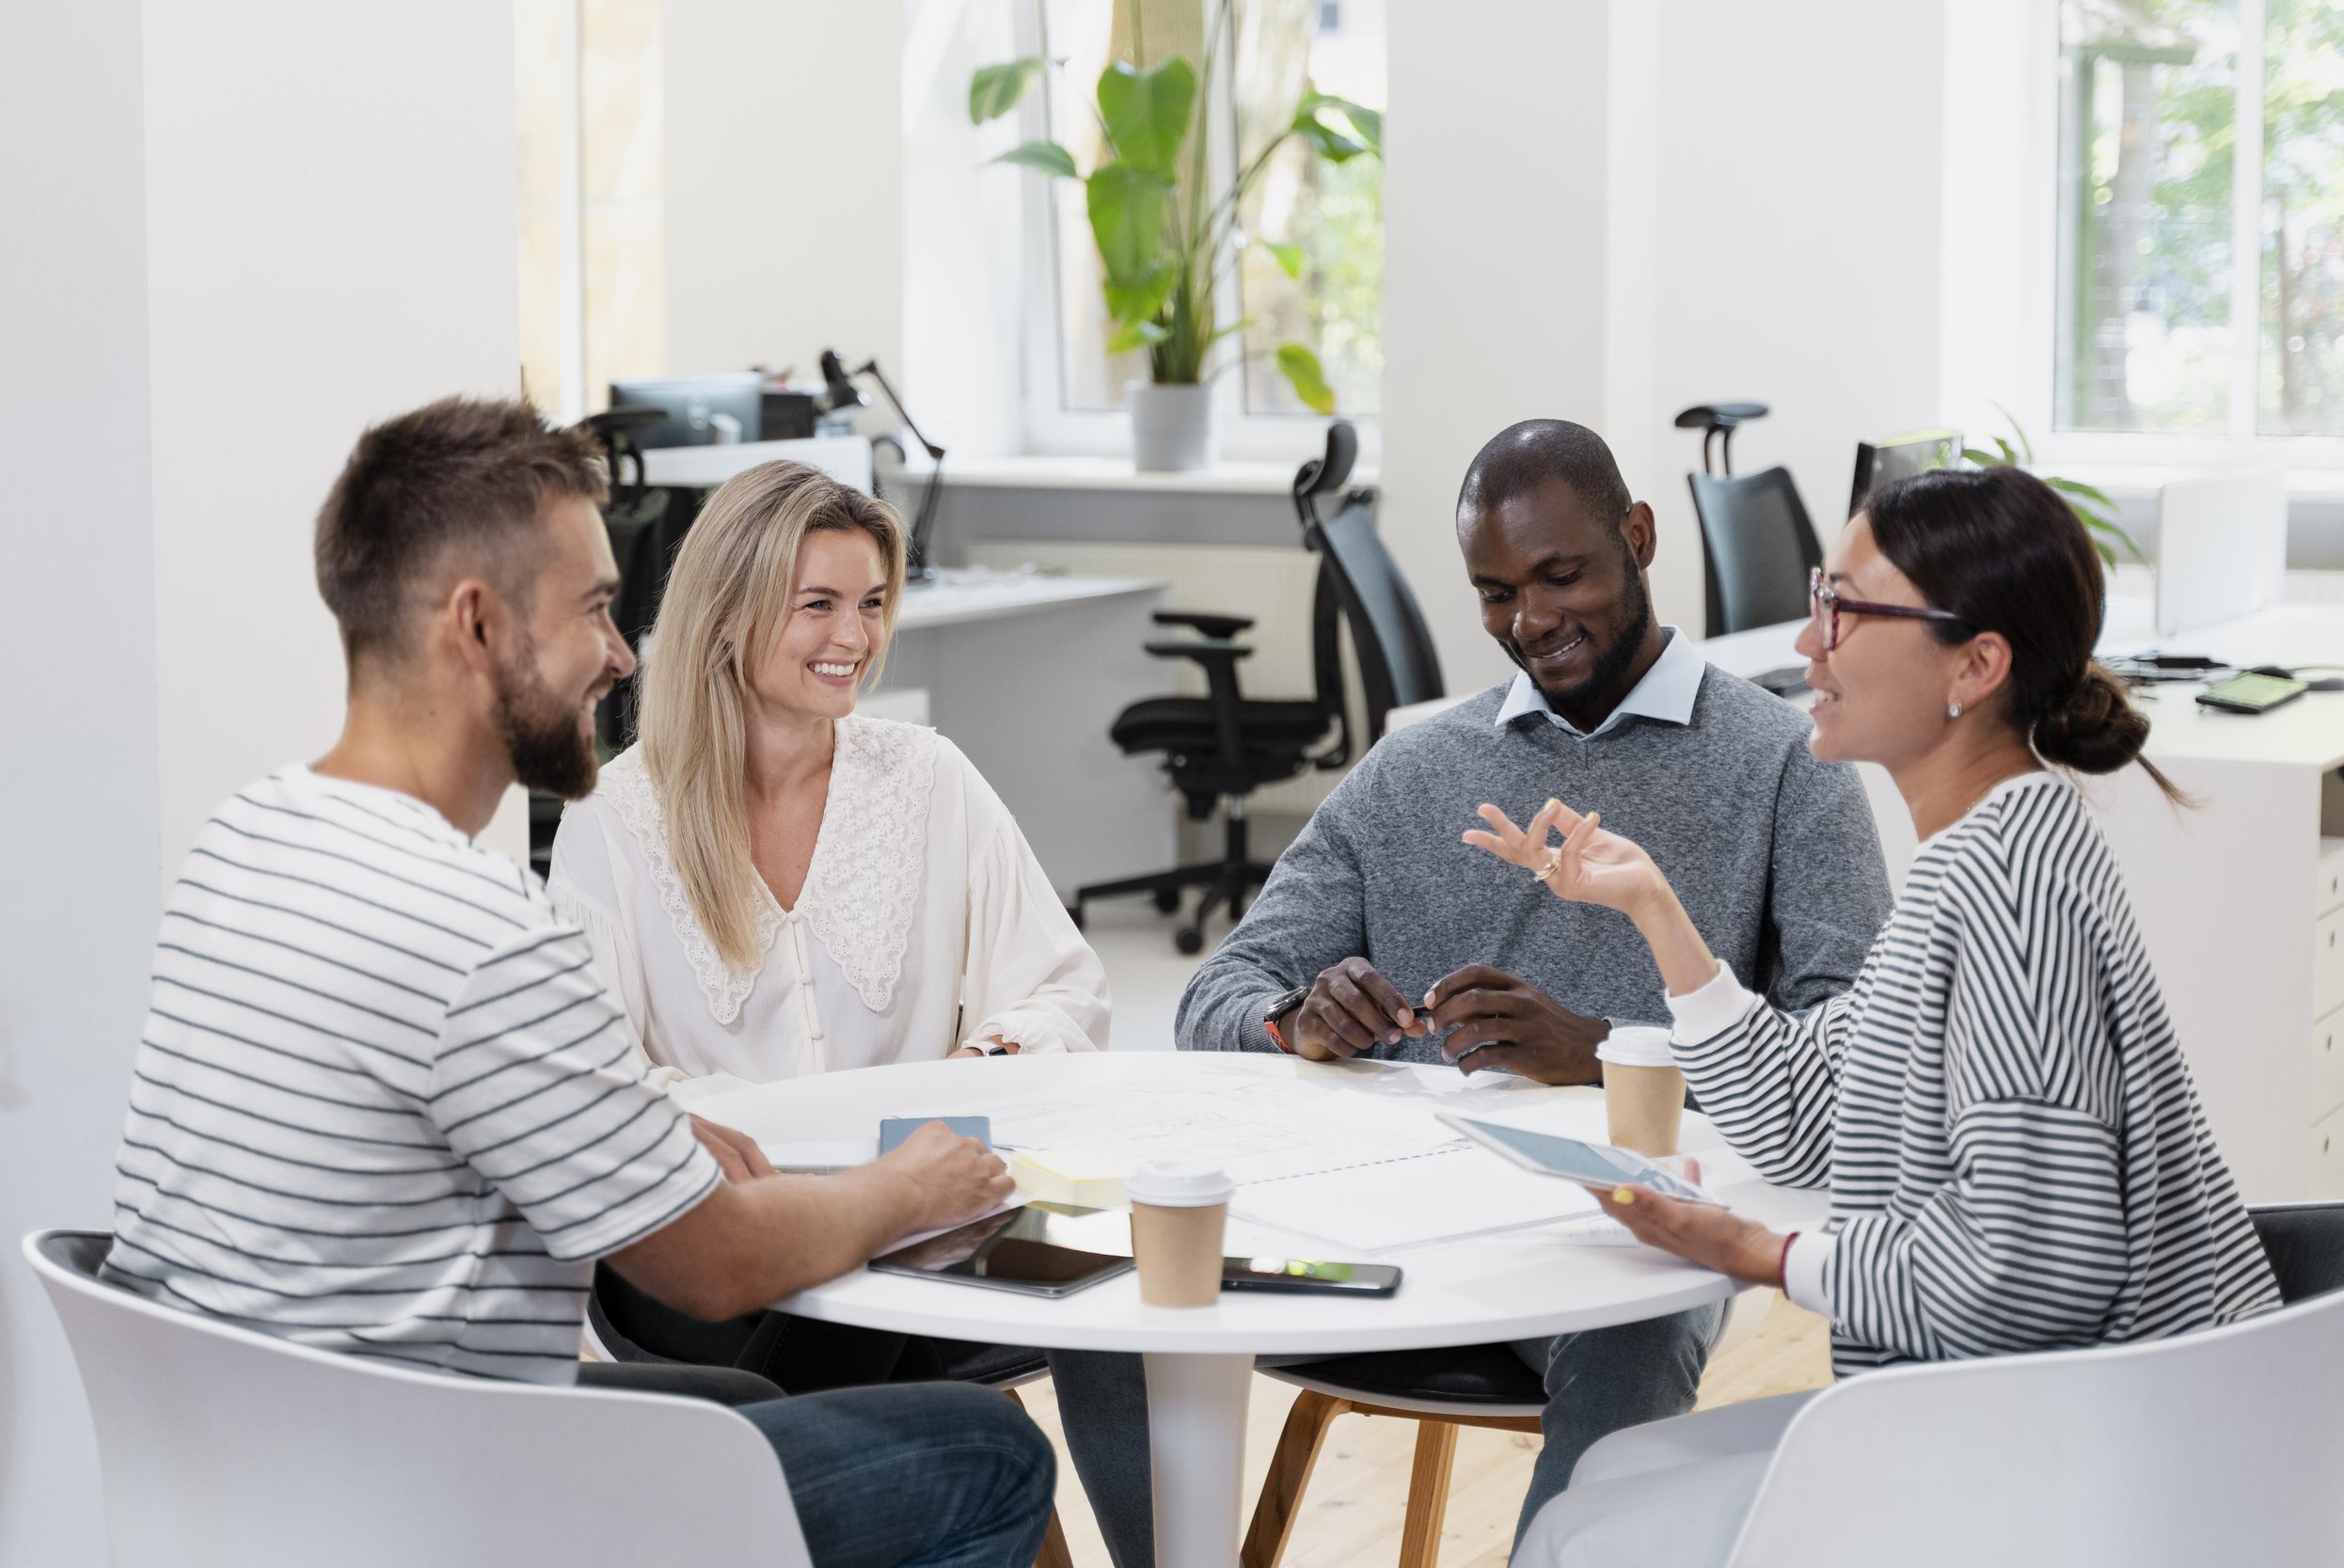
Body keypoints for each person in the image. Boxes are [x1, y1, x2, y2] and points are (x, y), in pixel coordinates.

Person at [103, 397, 1055, 1568]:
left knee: (767, 1403)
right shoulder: (480, 930)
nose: (620, 650)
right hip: (444, 1501)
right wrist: (912, 1184)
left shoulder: (247, 843)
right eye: (596, 608)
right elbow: (714, 1263)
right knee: (984, 1447)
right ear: (479, 624)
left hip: (255, 1475)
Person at [1051, 419, 1896, 1565]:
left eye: (1561, 575)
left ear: (1638, 538)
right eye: (1496, 593)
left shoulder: (1788, 765)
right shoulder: (1414, 767)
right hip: (1382, 1212)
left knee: (1631, 1341)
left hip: (1622, 1233)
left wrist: (1603, 1052)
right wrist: (1290, 1018)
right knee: (1115, 1285)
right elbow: (1216, 991)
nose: (1531, 622)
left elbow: (1852, 1059)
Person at [1473, 465, 2281, 1568]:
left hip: (2092, 1460)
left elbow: (2031, 1270)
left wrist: (1764, 1252)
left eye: (1844, 609)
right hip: (2061, 1421)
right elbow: (1808, 1116)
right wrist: (1654, 907)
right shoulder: (1988, 851)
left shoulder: (2005, 892)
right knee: (1611, 1478)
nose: (1809, 645)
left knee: (1584, 1526)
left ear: (1974, 664)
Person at [546, 458, 1107, 1389]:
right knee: (892, 1323)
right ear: (727, 613)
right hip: (711, 1243)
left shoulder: (930, 777)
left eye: (873, 602)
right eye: (819, 604)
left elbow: (1063, 988)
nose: (855, 635)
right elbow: (591, 1080)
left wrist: (980, 1066)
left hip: (922, 1222)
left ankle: (760, 1496)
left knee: (1114, 1274)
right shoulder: (611, 816)